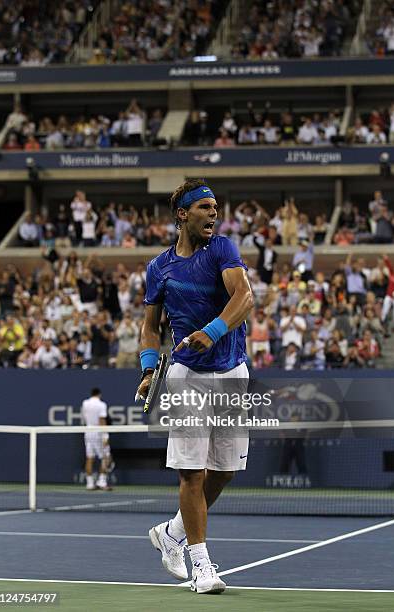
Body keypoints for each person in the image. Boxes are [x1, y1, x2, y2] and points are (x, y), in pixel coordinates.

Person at [136, 178, 253, 594]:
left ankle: (172, 532)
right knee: (193, 472)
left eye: (215, 207)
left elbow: (245, 296)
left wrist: (215, 329)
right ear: (182, 215)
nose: (213, 214)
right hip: (187, 376)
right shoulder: (159, 268)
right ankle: (201, 565)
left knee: (224, 472)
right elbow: (150, 327)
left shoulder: (222, 249)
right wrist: (149, 368)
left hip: (233, 372)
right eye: (204, 207)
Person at [81, 388, 112, 491]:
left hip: (88, 432)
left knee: (89, 458)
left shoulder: (85, 403)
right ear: (99, 394)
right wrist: (105, 436)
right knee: (106, 457)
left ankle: (89, 484)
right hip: (98, 432)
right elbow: (102, 420)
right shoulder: (101, 405)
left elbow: (85, 418)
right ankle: (101, 482)